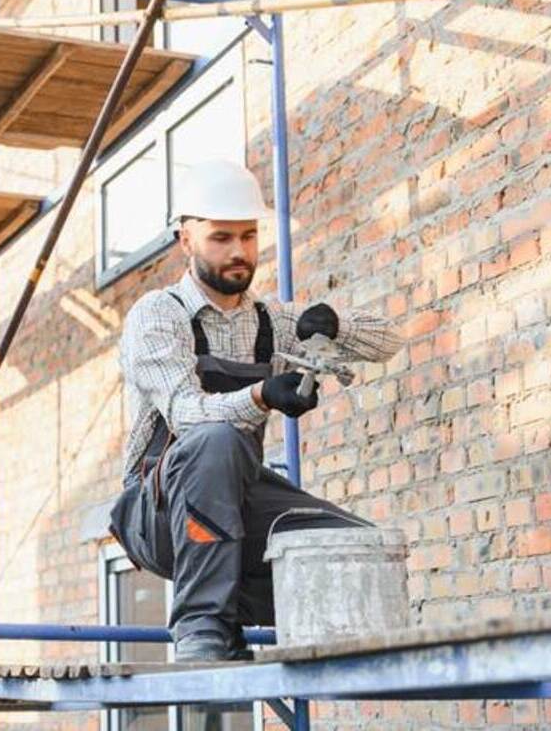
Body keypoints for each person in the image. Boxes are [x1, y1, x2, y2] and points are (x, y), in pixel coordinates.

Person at [109, 159, 403, 662]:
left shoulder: (270, 320)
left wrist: (334, 323)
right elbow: (185, 414)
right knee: (216, 440)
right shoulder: (158, 314)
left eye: (248, 236)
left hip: (236, 499)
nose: (239, 252)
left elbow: (389, 340)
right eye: (221, 238)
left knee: (353, 552)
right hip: (157, 510)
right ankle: (201, 627)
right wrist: (263, 396)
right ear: (186, 240)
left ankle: (237, 614)